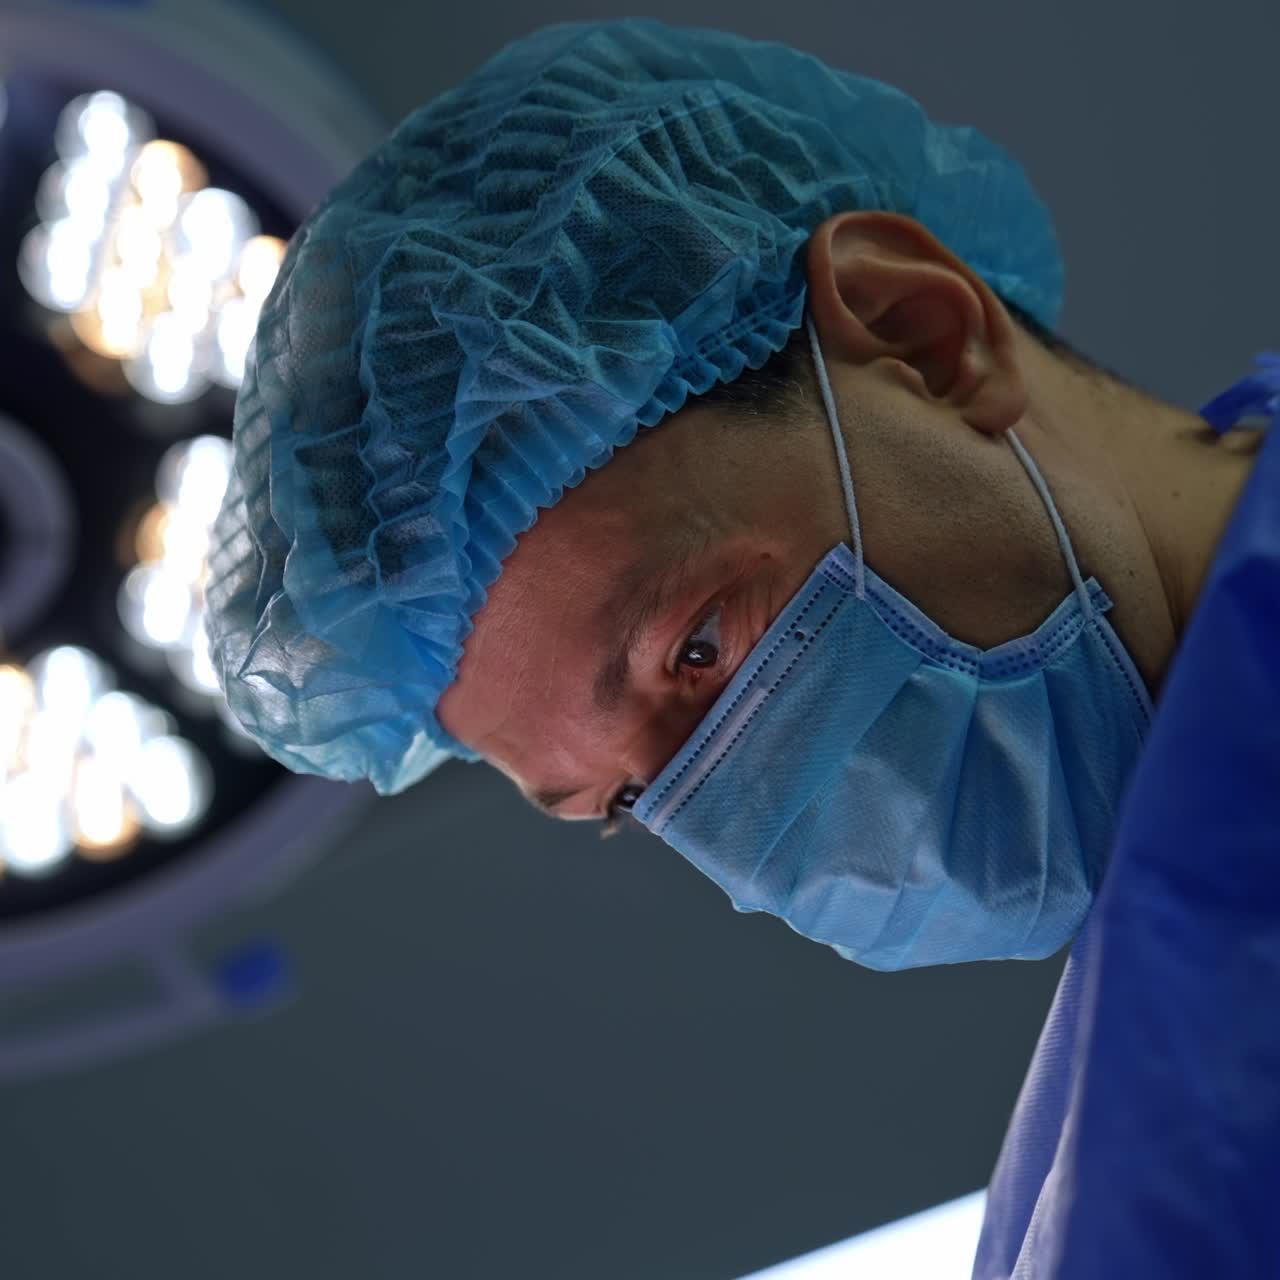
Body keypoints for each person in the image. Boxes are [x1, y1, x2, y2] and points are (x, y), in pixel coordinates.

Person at [205, 18, 1278, 1273]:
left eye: (699, 646)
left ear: (922, 334)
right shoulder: (1117, 1171)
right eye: (626, 799)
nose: (739, 827)